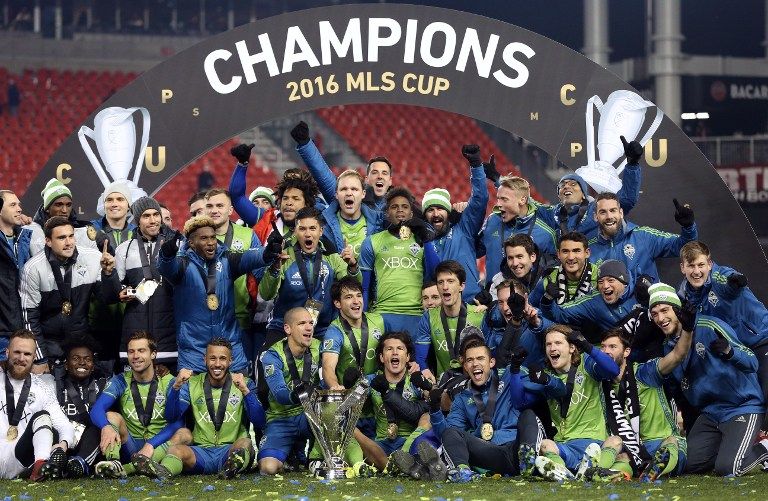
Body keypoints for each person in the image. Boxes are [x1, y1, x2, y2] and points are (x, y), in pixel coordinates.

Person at [648, 283, 768, 476]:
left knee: (729, 468)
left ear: (677, 309)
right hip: (711, 414)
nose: (661, 318)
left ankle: (764, 447)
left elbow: (752, 362)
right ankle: (731, 446)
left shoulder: (710, 325)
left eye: (665, 310)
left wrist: (730, 352)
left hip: (742, 406)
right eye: (654, 313)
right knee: (689, 465)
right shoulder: (668, 346)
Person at [157, 215, 275, 374]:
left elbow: (250, 258)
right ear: (191, 242)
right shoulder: (182, 264)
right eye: (204, 238)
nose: (211, 242)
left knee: (240, 394)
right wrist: (167, 253)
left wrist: (267, 252)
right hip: (194, 351)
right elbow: (166, 267)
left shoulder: (227, 259)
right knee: (193, 397)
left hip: (230, 348)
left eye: (213, 237)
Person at [676, 240, 768, 430]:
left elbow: (729, 283)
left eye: (701, 265)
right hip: (734, 353)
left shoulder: (720, 276)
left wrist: (735, 282)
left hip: (760, 340)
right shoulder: (684, 297)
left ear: (709, 264)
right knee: (754, 406)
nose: (696, 271)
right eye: (691, 266)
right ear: (682, 268)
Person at [428, 335, 542, 482]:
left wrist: (518, 369)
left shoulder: (509, 374)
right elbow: (448, 435)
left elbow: (540, 389)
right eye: (470, 360)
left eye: (480, 358)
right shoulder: (462, 398)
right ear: (465, 367)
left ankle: (528, 459)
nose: (475, 363)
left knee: (529, 415)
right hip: (490, 452)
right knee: (451, 432)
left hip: (516, 445)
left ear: (491, 362)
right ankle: (463, 472)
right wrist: (435, 409)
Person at [521, 325, 621, 481]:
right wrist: (514, 371)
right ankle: (567, 474)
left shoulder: (586, 364)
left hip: (594, 444)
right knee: (546, 444)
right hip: (565, 446)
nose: (552, 348)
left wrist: (587, 345)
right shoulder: (546, 376)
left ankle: (593, 470)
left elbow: (613, 370)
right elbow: (520, 402)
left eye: (558, 343)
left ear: (572, 347)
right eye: (548, 344)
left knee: (615, 441)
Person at [156, 338, 265, 479]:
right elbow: (172, 416)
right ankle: (164, 471)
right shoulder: (192, 383)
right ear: (205, 360)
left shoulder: (245, 383)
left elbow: (260, 421)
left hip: (230, 450)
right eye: (212, 358)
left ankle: (229, 469)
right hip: (201, 453)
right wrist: (176, 387)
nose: (217, 364)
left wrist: (245, 391)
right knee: (175, 450)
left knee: (245, 443)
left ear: (230, 361)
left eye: (223, 359)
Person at [89, 331, 188, 479]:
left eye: (141, 351)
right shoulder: (121, 380)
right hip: (131, 445)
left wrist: (151, 445)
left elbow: (177, 421)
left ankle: (127, 469)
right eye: (131, 351)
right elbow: (97, 409)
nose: (135, 356)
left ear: (153, 354)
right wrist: (106, 426)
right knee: (110, 417)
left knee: (185, 434)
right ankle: (114, 462)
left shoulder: (170, 382)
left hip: (159, 447)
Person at [599, 327, 691, 481]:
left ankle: (656, 469)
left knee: (671, 442)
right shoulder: (601, 385)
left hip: (661, 441)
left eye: (612, 347)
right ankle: (607, 473)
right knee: (621, 456)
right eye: (603, 347)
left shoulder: (645, 373)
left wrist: (687, 329)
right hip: (631, 448)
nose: (606, 351)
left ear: (626, 352)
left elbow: (677, 355)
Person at [20, 216, 110, 371]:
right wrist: (41, 358)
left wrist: (110, 275)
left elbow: (107, 298)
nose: (69, 243)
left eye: (71, 236)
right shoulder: (33, 268)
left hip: (81, 343)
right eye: (61, 238)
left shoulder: (92, 258)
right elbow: (29, 318)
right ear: (48, 241)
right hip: (49, 343)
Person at [260, 206, 359, 347]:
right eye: (302, 229)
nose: (307, 234)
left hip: (321, 330)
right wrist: (275, 267)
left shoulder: (331, 257)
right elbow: (266, 294)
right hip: (284, 328)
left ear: (321, 231)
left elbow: (352, 290)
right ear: (295, 231)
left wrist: (353, 266)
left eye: (312, 228)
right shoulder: (284, 256)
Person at [101, 197, 178, 370]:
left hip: (169, 335)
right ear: (137, 220)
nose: (153, 220)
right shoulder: (124, 249)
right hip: (135, 335)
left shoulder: (176, 246)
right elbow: (111, 295)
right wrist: (108, 275)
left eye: (156, 214)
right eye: (146, 216)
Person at [355, 331, 443, 479]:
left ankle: (403, 460)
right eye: (389, 349)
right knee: (350, 427)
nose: (395, 352)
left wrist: (430, 388)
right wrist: (351, 387)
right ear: (382, 357)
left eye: (400, 349)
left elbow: (434, 401)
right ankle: (399, 465)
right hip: (380, 446)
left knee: (428, 417)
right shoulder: (370, 381)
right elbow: (350, 403)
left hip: (411, 442)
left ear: (407, 357)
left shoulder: (416, 379)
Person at [291, 122, 384, 260]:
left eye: (354, 189)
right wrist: (306, 145)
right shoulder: (323, 223)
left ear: (363, 194)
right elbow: (325, 179)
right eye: (344, 189)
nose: (349, 193)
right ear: (336, 194)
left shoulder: (379, 221)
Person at [359, 187, 440, 340]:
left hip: (416, 314)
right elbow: (364, 287)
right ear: (386, 213)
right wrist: (363, 317)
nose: (400, 210)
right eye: (394, 206)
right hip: (382, 313)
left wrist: (426, 239)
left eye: (405, 206)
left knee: (416, 363)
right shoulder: (371, 242)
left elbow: (435, 274)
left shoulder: (422, 241)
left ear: (411, 213)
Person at [0, 330, 74, 481]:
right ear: (7, 352)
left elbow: (64, 425)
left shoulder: (42, 387)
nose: (21, 358)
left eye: (27, 354)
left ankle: (40, 468)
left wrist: (63, 444)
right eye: (17, 352)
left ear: (34, 357)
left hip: (19, 459)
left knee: (42, 417)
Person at [537, 137, 643, 240]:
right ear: (559, 194)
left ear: (584, 193)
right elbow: (525, 205)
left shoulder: (599, 208)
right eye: (562, 185)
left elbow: (627, 198)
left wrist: (632, 165)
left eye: (573, 184)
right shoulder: (552, 214)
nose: (566, 187)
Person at [420, 144, 490, 301]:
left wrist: (476, 166)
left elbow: (480, 200)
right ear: (425, 216)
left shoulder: (463, 228)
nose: (436, 214)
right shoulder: (419, 241)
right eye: (430, 210)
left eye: (440, 209)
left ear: (448, 211)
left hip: (472, 303)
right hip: (438, 308)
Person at [258, 307, 320, 475]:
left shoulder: (319, 348)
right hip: (280, 419)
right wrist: (301, 394)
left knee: (329, 412)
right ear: (288, 329)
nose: (309, 328)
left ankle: (315, 457)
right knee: (268, 468)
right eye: (302, 323)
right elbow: (279, 394)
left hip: (307, 416)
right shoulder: (272, 355)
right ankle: (292, 450)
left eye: (310, 323)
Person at [589, 193, 697, 281]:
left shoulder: (643, 236)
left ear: (621, 213)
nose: (609, 216)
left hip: (647, 306)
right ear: (595, 217)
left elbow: (685, 247)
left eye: (613, 210)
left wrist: (688, 227)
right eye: (603, 212)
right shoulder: (588, 249)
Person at [290, 121, 393, 211]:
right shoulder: (349, 201)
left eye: (384, 173)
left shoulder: (399, 208)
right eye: (374, 172)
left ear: (390, 180)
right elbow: (326, 180)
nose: (380, 176)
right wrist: (306, 145)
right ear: (366, 179)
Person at [415, 260, 488, 381]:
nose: (445, 287)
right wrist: (424, 370)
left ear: (461, 286)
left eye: (450, 281)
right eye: (440, 282)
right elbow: (421, 358)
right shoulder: (429, 317)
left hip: (474, 384)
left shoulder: (479, 315)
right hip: (444, 385)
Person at [204, 188, 263, 336]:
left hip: (242, 322)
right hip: (206, 321)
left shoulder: (248, 235)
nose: (214, 210)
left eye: (220, 206)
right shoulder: (195, 238)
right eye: (209, 206)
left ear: (230, 210)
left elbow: (261, 278)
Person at [479, 176, 557, 281]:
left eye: (504, 199)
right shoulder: (492, 221)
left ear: (522, 200)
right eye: (498, 198)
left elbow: (553, 272)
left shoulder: (545, 234)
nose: (498, 204)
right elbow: (474, 250)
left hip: (527, 296)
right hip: (492, 295)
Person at [539, 260, 638, 342]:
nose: (605, 286)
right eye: (600, 282)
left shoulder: (641, 292)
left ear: (624, 282)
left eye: (611, 280)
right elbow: (561, 314)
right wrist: (548, 298)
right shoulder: (594, 301)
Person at [53, 336, 109, 478]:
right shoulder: (55, 384)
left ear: (93, 365)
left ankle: (79, 463)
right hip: (62, 441)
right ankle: (57, 463)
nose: (82, 363)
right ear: (66, 364)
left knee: (99, 426)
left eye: (88, 359)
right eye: (76, 358)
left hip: (90, 443)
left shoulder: (103, 384)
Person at [27, 179, 97, 256]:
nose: (64, 210)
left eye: (68, 205)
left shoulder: (83, 232)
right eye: (59, 205)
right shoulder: (31, 232)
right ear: (47, 209)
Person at [528, 231, 598, 308]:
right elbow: (529, 309)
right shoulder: (549, 281)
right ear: (558, 254)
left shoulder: (600, 277)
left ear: (587, 253)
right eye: (565, 251)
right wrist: (547, 298)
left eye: (576, 251)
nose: (571, 257)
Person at [0, 191, 32, 354]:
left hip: (24, 334)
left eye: (19, 204)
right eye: (13, 205)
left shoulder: (26, 238)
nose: (19, 209)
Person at [91, 181, 134, 250]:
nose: (114, 204)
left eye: (120, 199)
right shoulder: (91, 229)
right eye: (109, 200)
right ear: (104, 206)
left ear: (128, 206)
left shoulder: (137, 233)